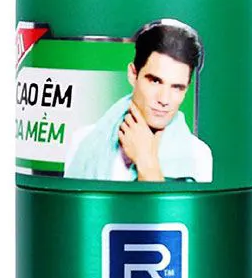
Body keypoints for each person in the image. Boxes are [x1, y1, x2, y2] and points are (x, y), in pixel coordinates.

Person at [63, 20, 213, 182]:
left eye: (177, 87)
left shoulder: (198, 156)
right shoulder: (83, 141)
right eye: (155, 81)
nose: (164, 99)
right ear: (133, 74)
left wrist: (146, 163)